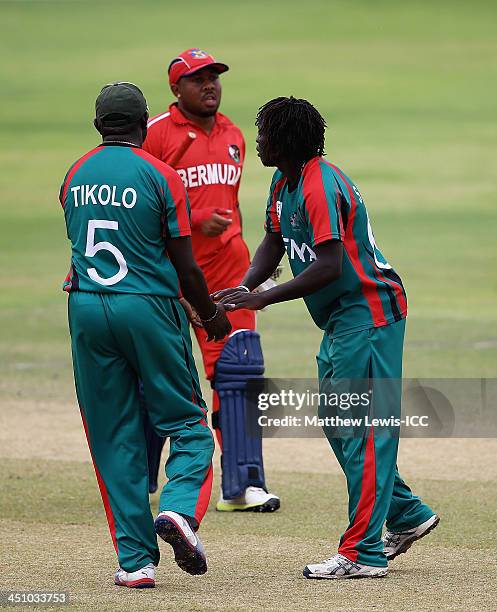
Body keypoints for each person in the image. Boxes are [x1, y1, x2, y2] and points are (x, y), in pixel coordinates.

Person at [214, 97, 439, 579]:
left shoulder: (319, 184)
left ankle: (363, 553)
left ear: (286, 140)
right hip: (341, 319)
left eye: (264, 133)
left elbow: (329, 264)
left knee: (365, 431)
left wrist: (264, 301)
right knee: (339, 424)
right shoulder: (284, 180)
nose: (258, 141)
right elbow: (274, 239)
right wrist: (248, 284)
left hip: (370, 314)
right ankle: (408, 515)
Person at [59, 81, 231, 588]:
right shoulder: (160, 175)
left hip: (86, 307)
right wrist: (210, 316)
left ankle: (135, 563)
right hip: (148, 308)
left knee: (113, 436)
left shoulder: (75, 173)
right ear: (143, 123)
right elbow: (185, 263)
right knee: (188, 424)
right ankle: (179, 510)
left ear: (98, 127)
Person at [142, 48, 279, 512]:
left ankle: (242, 485)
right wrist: (197, 219)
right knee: (156, 377)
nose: (210, 85)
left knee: (240, 370)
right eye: (198, 79)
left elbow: (235, 207)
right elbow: (140, 209)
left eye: (214, 77)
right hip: (170, 282)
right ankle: (140, 477)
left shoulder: (234, 135)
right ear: (175, 89)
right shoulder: (155, 136)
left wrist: (253, 271)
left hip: (226, 277)